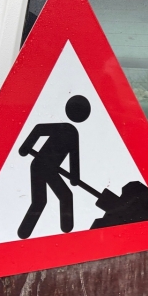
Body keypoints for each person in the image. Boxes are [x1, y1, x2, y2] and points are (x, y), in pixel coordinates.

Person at [16, 95, 92, 239]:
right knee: (51, 199)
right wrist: (25, 147)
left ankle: (65, 233)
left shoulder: (72, 132)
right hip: (40, 166)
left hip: (47, 168)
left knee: (48, 200)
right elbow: (39, 129)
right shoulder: (65, 128)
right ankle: (26, 233)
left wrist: (74, 177)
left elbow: (74, 156)